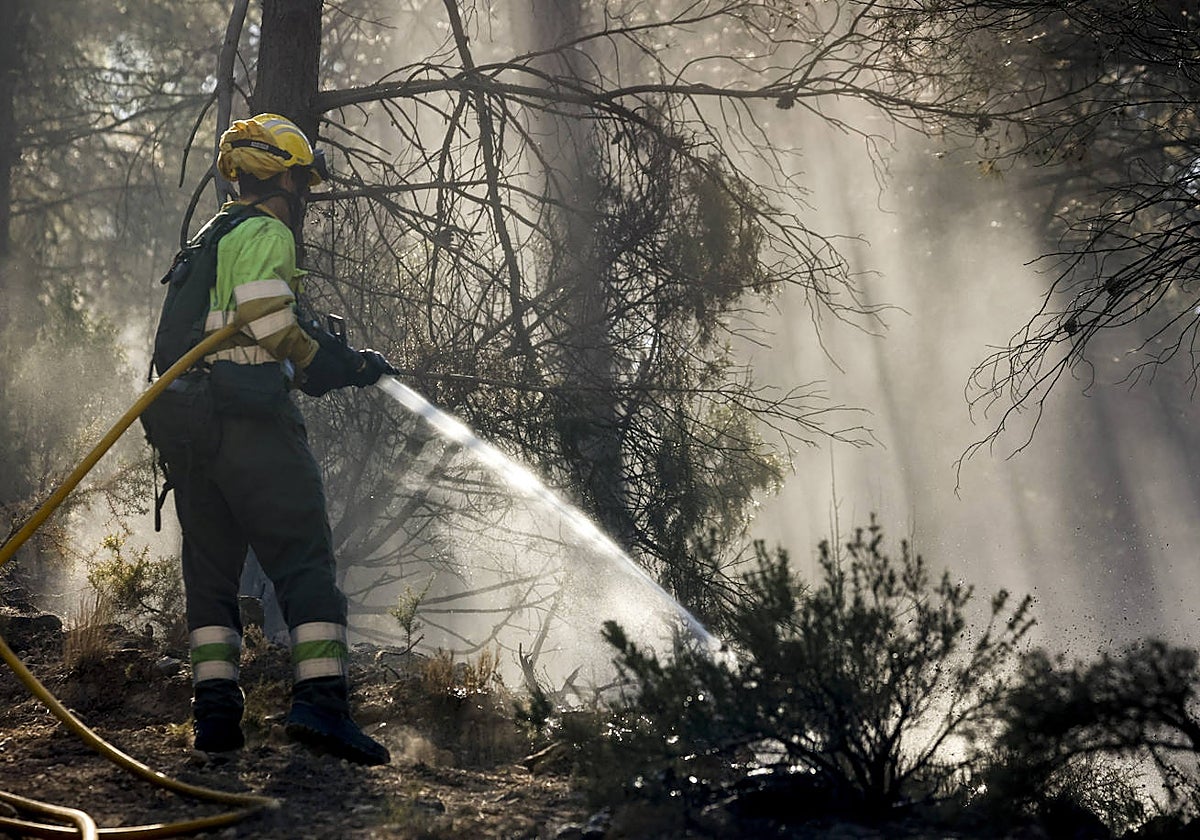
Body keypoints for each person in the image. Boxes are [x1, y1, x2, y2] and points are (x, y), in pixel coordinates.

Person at [149, 113, 392, 765]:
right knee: (303, 556)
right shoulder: (264, 231)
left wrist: (320, 352)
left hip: (194, 440)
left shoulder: (209, 239)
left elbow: (233, 325)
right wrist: (325, 359)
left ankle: (217, 718)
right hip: (251, 430)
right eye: (301, 182)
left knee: (210, 575)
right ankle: (321, 702)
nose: (303, 195)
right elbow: (265, 319)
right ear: (280, 177)